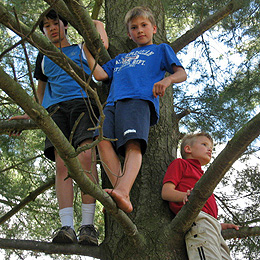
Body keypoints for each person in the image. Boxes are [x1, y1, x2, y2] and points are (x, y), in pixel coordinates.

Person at [9, 9, 108, 245]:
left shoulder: (80, 49)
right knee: (63, 166)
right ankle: (67, 227)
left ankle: (87, 227)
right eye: (46, 26)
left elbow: (101, 41)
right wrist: (29, 114)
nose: (52, 28)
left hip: (83, 105)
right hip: (55, 111)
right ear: (42, 31)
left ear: (65, 25)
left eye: (56, 23)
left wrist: (90, 20)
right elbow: (41, 91)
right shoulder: (43, 56)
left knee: (85, 159)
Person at [84, 6, 187, 213]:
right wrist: (86, 51)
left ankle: (122, 190)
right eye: (134, 27)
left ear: (154, 28)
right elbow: (100, 75)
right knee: (102, 143)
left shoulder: (160, 49)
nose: (140, 30)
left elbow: (181, 73)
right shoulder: (121, 58)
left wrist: (166, 81)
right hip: (112, 105)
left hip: (138, 100)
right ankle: (122, 192)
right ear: (129, 35)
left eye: (144, 25)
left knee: (133, 144)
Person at [162, 132, 239, 260]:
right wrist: (185, 196)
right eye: (204, 144)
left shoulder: (203, 177)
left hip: (212, 227)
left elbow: (207, 212)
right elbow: (166, 192)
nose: (209, 149)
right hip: (198, 220)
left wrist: (218, 225)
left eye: (211, 148)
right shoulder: (181, 164)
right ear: (188, 149)